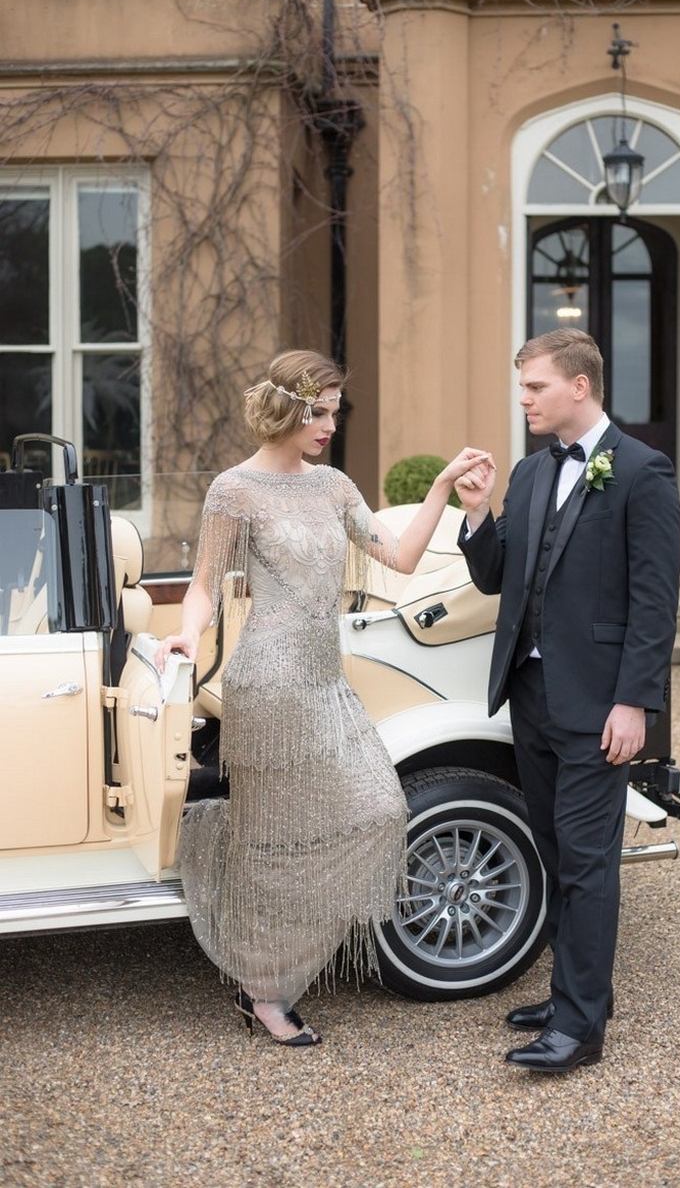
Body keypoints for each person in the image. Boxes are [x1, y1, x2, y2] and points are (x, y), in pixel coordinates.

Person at [156, 349, 491, 1047]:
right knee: (272, 842)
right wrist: (188, 634)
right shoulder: (233, 491)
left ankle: (275, 960)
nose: (332, 426)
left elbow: (399, 558)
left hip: (325, 681)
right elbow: (204, 585)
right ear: (287, 408)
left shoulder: (334, 487)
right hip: (267, 684)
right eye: (321, 412)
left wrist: (441, 488)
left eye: (337, 412)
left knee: (380, 809)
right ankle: (265, 991)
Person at [454, 327, 680, 1075]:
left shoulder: (643, 471)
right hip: (530, 693)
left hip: (598, 705)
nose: (523, 399)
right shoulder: (527, 472)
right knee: (552, 851)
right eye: (522, 387)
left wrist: (635, 703)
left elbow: (655, 603)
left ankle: (579, 1029)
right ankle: (576, 998)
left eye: (536, 387)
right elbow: (497, 578)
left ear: (579, 386)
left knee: (587, 862)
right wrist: (478, 513)